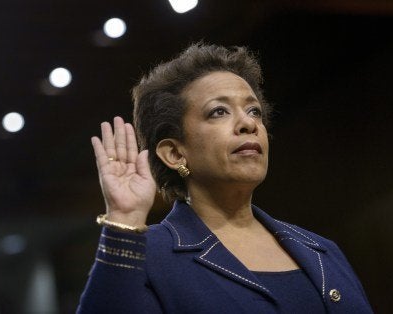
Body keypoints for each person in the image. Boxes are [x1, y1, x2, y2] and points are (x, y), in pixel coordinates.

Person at [77, 43, 373, 313]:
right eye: (218, 111)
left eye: (254, 111)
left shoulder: (321, 250)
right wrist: (124, 218)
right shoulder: (147, 254)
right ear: (175, 154)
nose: (248, 123)